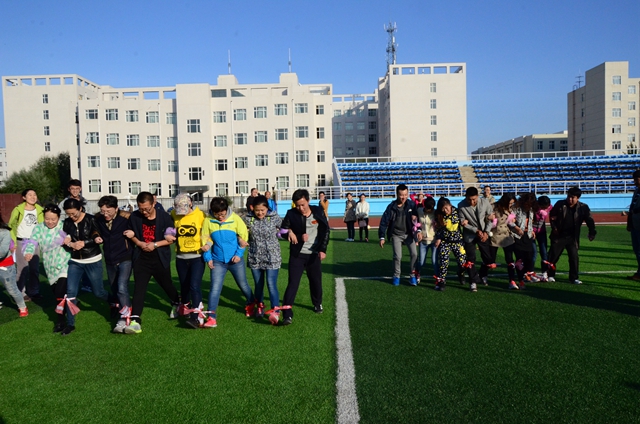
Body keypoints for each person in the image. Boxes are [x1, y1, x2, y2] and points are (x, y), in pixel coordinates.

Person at [122, 192, 181, 334]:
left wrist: (154, 245)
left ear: (154, 203)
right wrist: (139, 243)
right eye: (141, 209)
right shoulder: (135, 217)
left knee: (167, 284)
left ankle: (177, 302)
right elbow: (131, 235)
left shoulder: (165, 217)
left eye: (147, 209)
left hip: (159, 258)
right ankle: (135, 321)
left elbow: (171, 239)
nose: (144, 212)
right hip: (141, 259)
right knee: (139, 288)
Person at [202, 197, 255, 328]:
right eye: (217, 214)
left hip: (235, 260)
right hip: (217, 261)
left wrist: (239, 254)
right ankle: (211, 317)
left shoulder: (235, 219)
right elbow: (205, 239)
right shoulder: (208, 221)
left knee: (243, 285)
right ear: (212, 211)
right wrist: (208, 258)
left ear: (226, 210)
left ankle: (251, 302)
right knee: (215, 288)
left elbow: (243, 237)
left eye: (222, 214)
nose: (220, 217)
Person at [61, 198, 110, 336]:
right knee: (70, 293)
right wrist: (70, 243)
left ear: (80, 209)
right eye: (68, 214)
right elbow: (64, 239)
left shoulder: (91, 219)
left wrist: (85, 242)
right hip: (75, 261)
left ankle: (114, 302)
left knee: (98, 292)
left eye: (73, 214)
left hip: (92, 259)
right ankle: (70, 324)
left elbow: (97, 236)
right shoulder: (67, 223)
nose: (71, 216)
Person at [280, 189, 330, 325]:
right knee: (293, 283)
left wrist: (322, 249)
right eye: (297, 205)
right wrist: (289, 233)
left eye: (303, 205)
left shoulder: (318, 211)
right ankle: (287, 314)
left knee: (315, 281)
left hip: (314, 254)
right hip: (297, 255)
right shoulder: (291, 214)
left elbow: (325, 230)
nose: (300, 208)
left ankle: (317, 303)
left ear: (308, 200)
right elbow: (281, 232)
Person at [24, 204, 70, 329]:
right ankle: (68, 306)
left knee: (60, 292)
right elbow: (32, 242)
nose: (50, 222)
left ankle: (60, 321)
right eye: (47, 218)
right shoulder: (38, 228)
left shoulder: (64, 225)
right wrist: (28, 252)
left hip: (64, 262)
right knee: (57, 293)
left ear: (58, 217)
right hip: (50, 265)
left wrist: (69, 238)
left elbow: (73, 235)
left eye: (53, 219)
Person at [167, 193, 207, 329]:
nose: (181, 213)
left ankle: (196, 316)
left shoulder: (200, 215)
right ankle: (185, 306)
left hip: (197, 256)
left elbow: (207, 232)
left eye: (183, 209)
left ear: (190, 204)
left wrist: (208, 244)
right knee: (184, 285)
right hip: (181, 257)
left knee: (194, 286)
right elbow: (170, 228)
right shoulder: (174, 214)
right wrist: (168, 234)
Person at [94, 195, 134, 333]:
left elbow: (137, 226)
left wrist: (133, 233)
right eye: (103, 211)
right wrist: (96, 236)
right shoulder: (98, 218)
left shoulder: (126, 218)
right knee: (114, 287)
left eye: (108, 211)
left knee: (122, 287)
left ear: (116, 208)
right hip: (110, 258)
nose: (105, 214)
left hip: (125, 257)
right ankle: (118, 308)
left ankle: (125, 317)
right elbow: (94, 229)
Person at [244, 195, 283, 325]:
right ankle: (260, 305)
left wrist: (290, 232)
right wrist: (240, 238)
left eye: (262, 210)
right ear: (252, 209)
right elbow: (238, 231)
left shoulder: (274, 217)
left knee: (271, 284)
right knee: (258, 284)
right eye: (257, 210)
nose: (260, 213)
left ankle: (275, 310)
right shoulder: (248, 219)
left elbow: (286, 227)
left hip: (272, 256)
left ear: (267, 208)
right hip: (255, 257)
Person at [546, 187, 596, 285]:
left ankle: (574, 277)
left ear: (578, 198)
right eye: (568, 196)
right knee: (553, 256)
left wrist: (592, 232)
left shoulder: (583, 207)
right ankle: (550, 274)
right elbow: (552, 216)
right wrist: (554, 227)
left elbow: (589, 220)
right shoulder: (560, 204)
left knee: (574, 257)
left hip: (572, 237)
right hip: (559, 236)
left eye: (573, 197)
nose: (570, 199)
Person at [379, 184, 422, 286]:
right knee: (397, 256)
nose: (403, 197)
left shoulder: (411, 205)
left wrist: (419, 230)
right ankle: (396, 275)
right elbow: (384, 221)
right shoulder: (391, 207)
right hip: (396, 235)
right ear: (397, 194)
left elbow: (418, 220)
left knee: (414, 254)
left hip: (409, 234)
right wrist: (382, 237)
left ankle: (412, 275)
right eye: (401, 195)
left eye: (405, 195)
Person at [433, 197, 480, 291]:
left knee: (463, 263)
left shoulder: (458, 212)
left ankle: (460, 273)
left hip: (458, 242)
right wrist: (438, 238)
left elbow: (466, 219)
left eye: (446, 208)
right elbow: (438, 229)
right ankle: (441, 281)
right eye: (443, 209)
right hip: (445, 242)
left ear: (450, 205)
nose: (445, 211)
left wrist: (465, 221)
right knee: (443, 262)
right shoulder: (439, 215)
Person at [9, 188, 44, 300]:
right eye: (30, 195)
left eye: (34, 194)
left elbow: (43, 226)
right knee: (22, 268)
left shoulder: (40, 210)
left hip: (35, 242)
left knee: (34, 268)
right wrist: (13, 242)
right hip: (21, 241)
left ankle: (34, 291)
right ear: (24, 197)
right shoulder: (18, 209)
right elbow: (11, 226)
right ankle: (20, 292)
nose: (33, 197)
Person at [457, 187, 494, 288]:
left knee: (487, 257)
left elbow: (491, 218)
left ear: (478, 196)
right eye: (469, 199)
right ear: (466, 197)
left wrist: (486, 232)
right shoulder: (461, 205)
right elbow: (463, 223)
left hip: (484, 234)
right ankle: (472, 281)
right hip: (469, 235)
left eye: (474, 199)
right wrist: (476, 230)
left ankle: (482, 274)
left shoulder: (485, 202)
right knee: (471, 258)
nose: (472, 202)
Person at [0, 212, 28, 317]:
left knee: (12, 289)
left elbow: (2, 252)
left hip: (5, 266)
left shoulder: (5, 232)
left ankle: (22, 307)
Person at [490, 194, 519, 289]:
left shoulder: (510, 209)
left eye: (512, 203)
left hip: (506, 235)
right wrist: (490, 219)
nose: (511, 205)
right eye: (509, 203)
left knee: (510, 259)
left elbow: (510, 222)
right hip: (495, 235)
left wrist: (515, 225)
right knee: (490, 259)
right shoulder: (493, 207)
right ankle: (483, 275)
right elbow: (487, 220)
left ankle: (512, 280)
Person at [511, 193, 540, 289]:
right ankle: (521, 280)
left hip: (527, 236)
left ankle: (527, 274)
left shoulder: (531, 210)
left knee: (529, 257)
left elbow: (530, 223)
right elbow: (509, 221)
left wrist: (531, 231)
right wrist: (516, 228)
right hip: (517, 237)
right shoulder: (516, 208)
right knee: (520, 260)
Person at [414, 196, 437, 283]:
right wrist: (418, 231)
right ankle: (417, 273)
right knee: (421, 262)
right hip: (423, 241)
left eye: (431, 209)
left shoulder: (435, 213)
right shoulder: (419, 211)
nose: (429, 211)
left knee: (434, 261)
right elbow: (416, 222)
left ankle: (438, 278)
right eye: (428, 209)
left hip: (434, 240)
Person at [532, 195, 552, 281]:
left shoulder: (549, 207)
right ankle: (530, 272)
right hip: (532, 232)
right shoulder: (533, 208)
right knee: (533, 253)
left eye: (546, 207)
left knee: (544, 252)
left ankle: (544, 272)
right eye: (543, 207)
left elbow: (554, 211)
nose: (545, 209)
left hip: (542, 232)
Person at [627, 170, 640, 281]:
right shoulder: (636, 191)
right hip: (635, 224)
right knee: (637, 250)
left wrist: (635, 211)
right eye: (634, 179)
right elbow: (632, 207)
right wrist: (629, 222)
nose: (635, 182)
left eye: (637, 179)